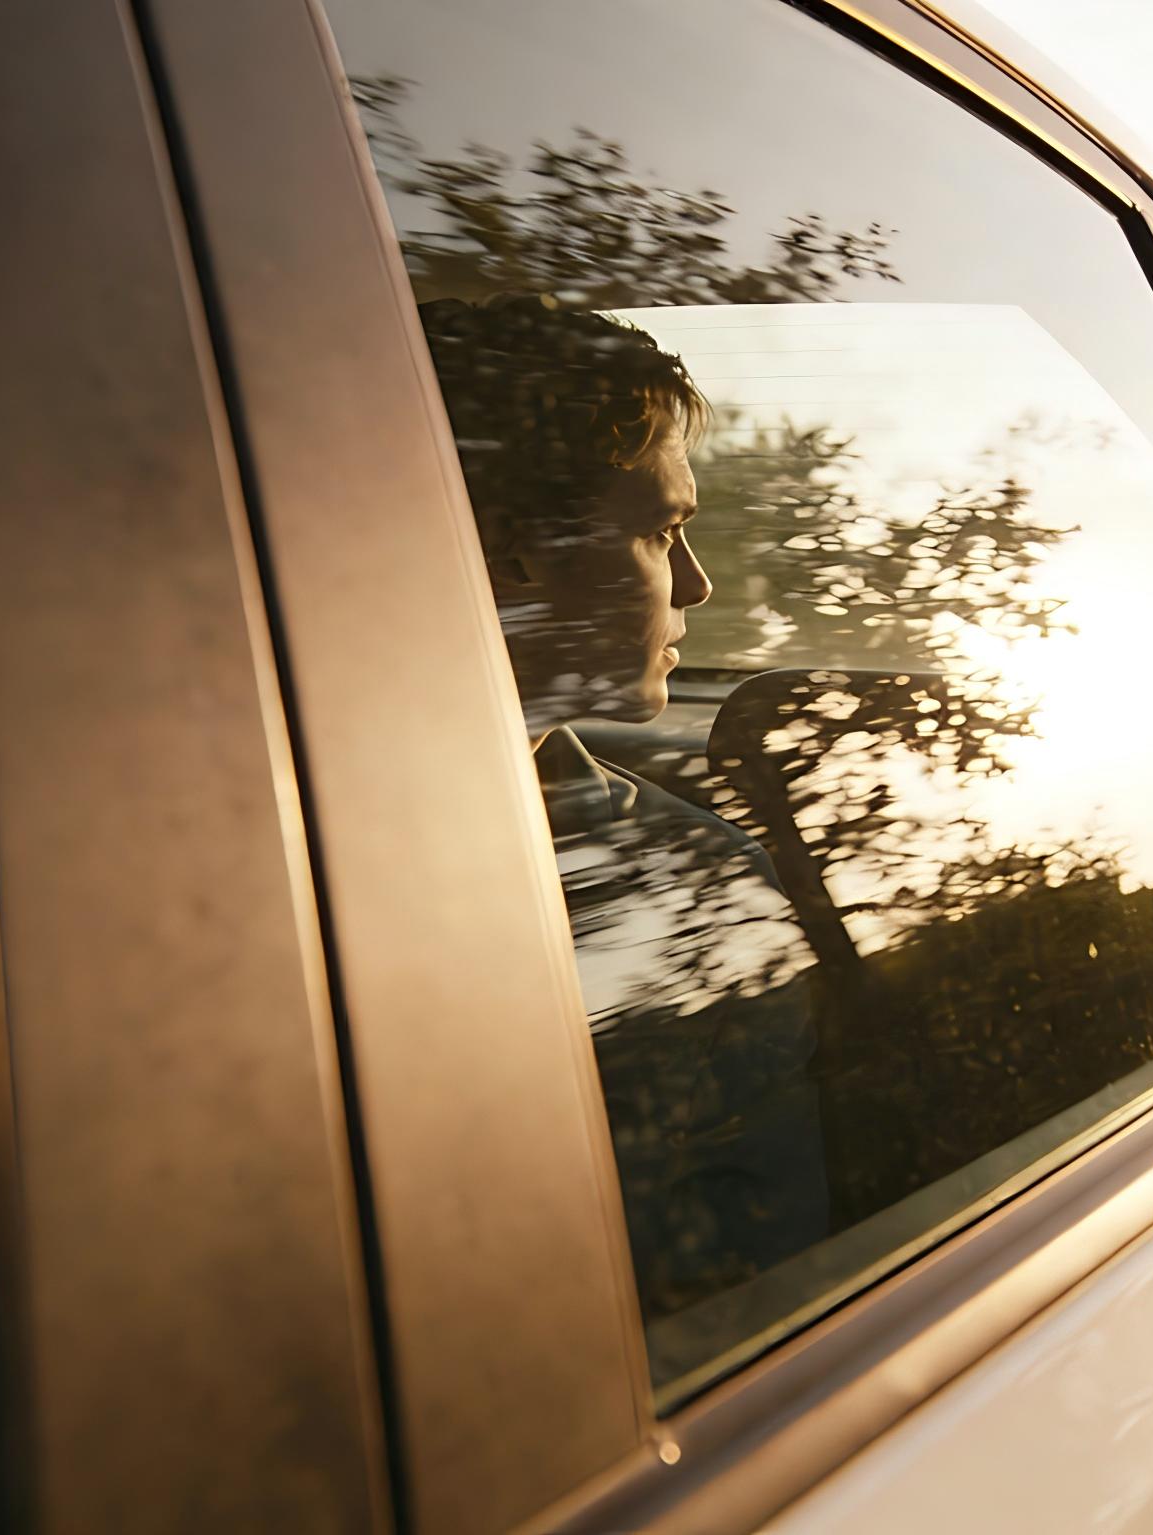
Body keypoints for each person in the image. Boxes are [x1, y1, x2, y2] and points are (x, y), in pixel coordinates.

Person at [416, 295, 828, 1338]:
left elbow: (746, 1287)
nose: (698, 582)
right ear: (511, 548)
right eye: (662, 530)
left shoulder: (705, 878)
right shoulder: (700, 888)